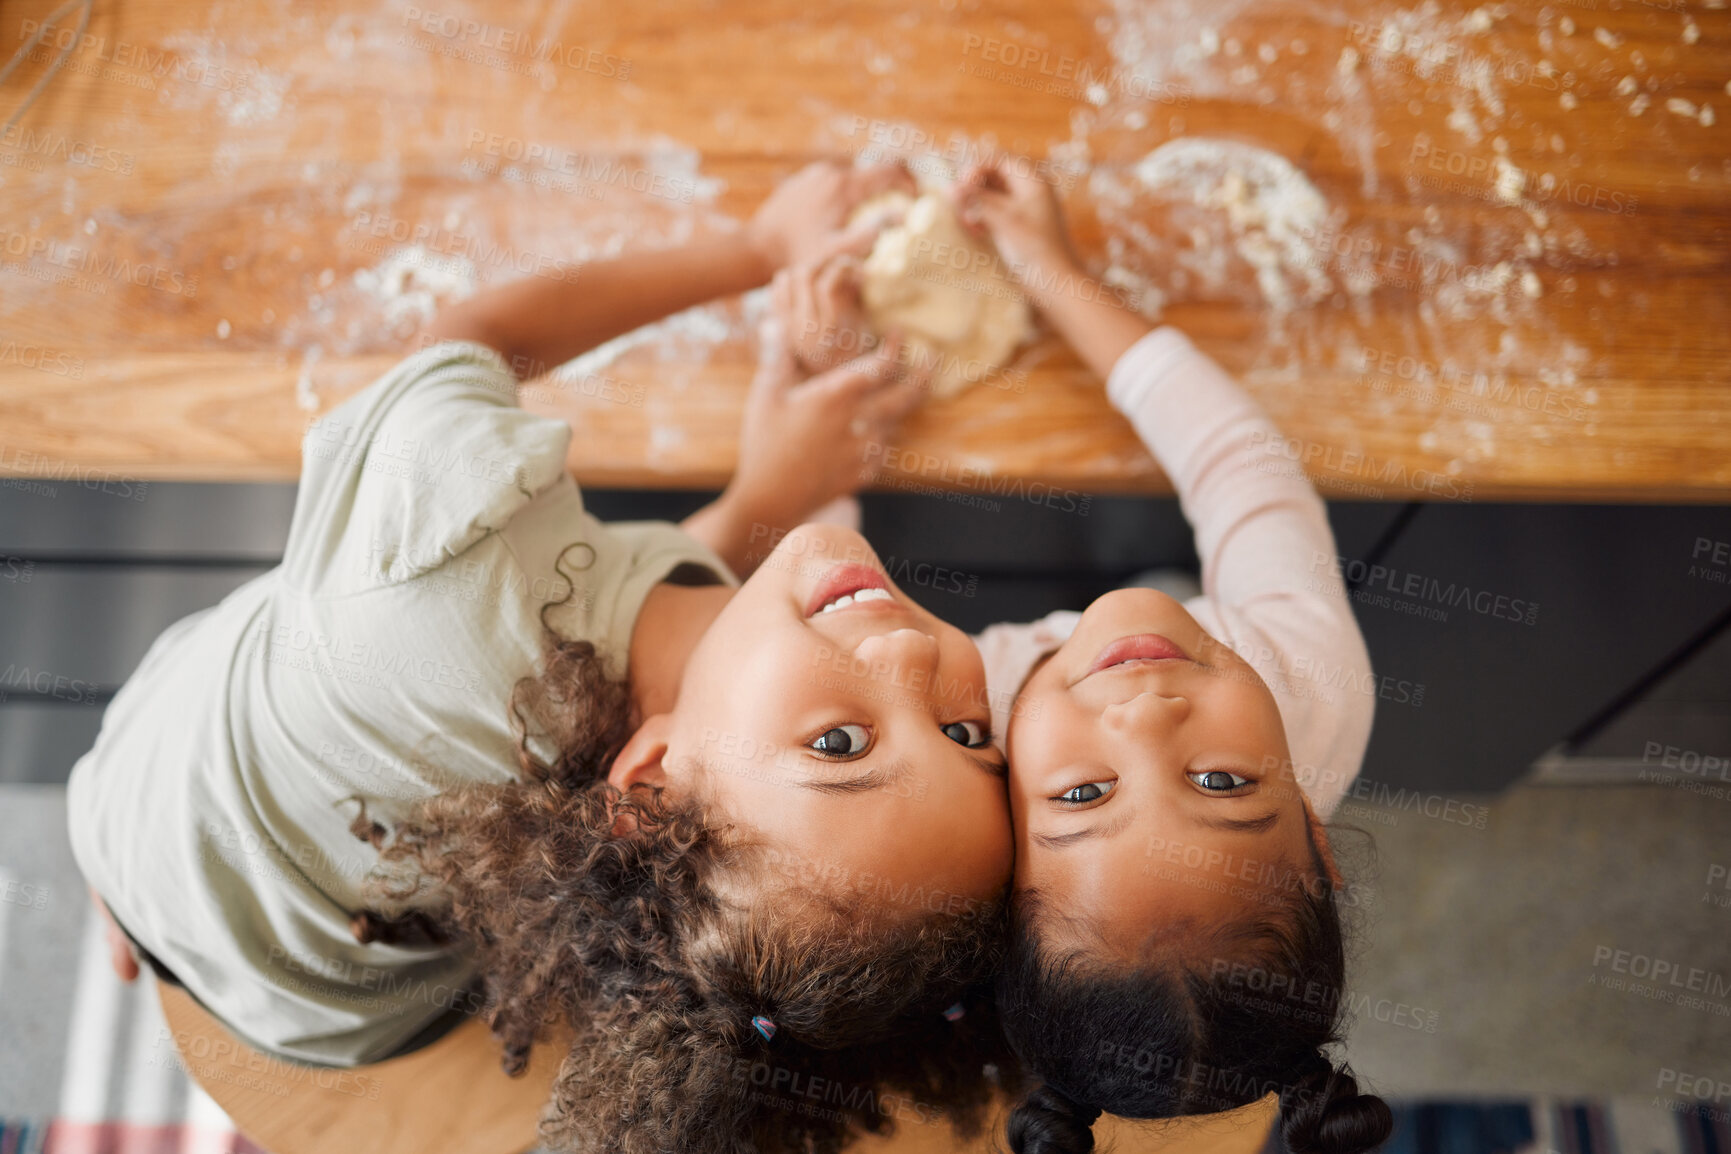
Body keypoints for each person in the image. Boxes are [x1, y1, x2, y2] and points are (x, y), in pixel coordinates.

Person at [70, 161, 1013, 1154]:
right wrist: (772, 491)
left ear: (645, 787)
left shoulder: (448, 551)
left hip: (162, 825)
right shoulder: (654, 842)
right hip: (329, 1008)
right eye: (962, 732)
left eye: (839, 742)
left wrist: (759, 248)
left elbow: (472, 341)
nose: (911, 653)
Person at [949, 163, 1395, 1154]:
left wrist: (814, 448)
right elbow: (1239, 466)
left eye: (1080, 797)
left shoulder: (963, 719)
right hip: (1221, 615)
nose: (1146, 718)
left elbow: (821, 615)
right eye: (1222, 780)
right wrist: (1051, 269)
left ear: (996, 848)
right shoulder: (1309, 681)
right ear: (1316, 841)